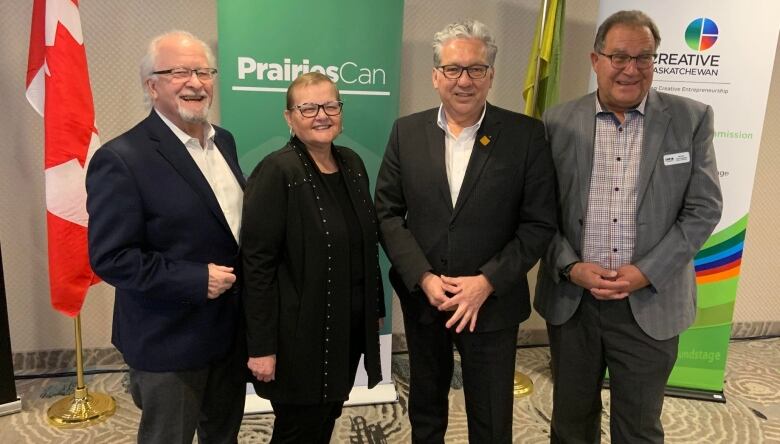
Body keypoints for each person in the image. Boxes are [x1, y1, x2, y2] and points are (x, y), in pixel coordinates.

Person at [535, 10, 723, 444]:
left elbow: (703, 208)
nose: (630, 69)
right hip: (573, 303)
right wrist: (570, 266)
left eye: (643, 58)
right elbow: (537, 212)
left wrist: (646, 271)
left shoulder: (690, 119)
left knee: (638, 428)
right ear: (595, 59)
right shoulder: (556, 122)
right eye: (618, 56)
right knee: (571, 423)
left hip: (651, 304)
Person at [375, 19, 557, 443]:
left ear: (491, 76)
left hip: (491, 305)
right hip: (426, 301)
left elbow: (539, 223)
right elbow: (386, 212)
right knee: (425, 411)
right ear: (435, 75)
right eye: (453, 69)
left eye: (476, 69)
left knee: (492, 419)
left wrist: (487, 282)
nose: (464, 80)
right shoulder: (407, 131)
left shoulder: (526, 136)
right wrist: (422, 276)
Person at [86, 31, 246, 444]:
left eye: (204, 71)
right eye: (179, 72)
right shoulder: (121, 158)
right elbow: (111, 257)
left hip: (228, 333)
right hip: (168, 342)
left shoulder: (223, 141)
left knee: (223, 435)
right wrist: (195, 280)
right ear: (151, 85)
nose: (195, 82)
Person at [241, 72, 384, 443]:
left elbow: (366, 243)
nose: (322, 114)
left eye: (330, 105)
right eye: (308, 108)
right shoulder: (277, 170)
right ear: (289, 117)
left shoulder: (351, 164)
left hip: (345, 331)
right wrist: (261, 347)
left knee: (325, 419)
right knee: (297, 430)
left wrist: (375, 306)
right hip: (297, 338)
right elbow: (257, 264)